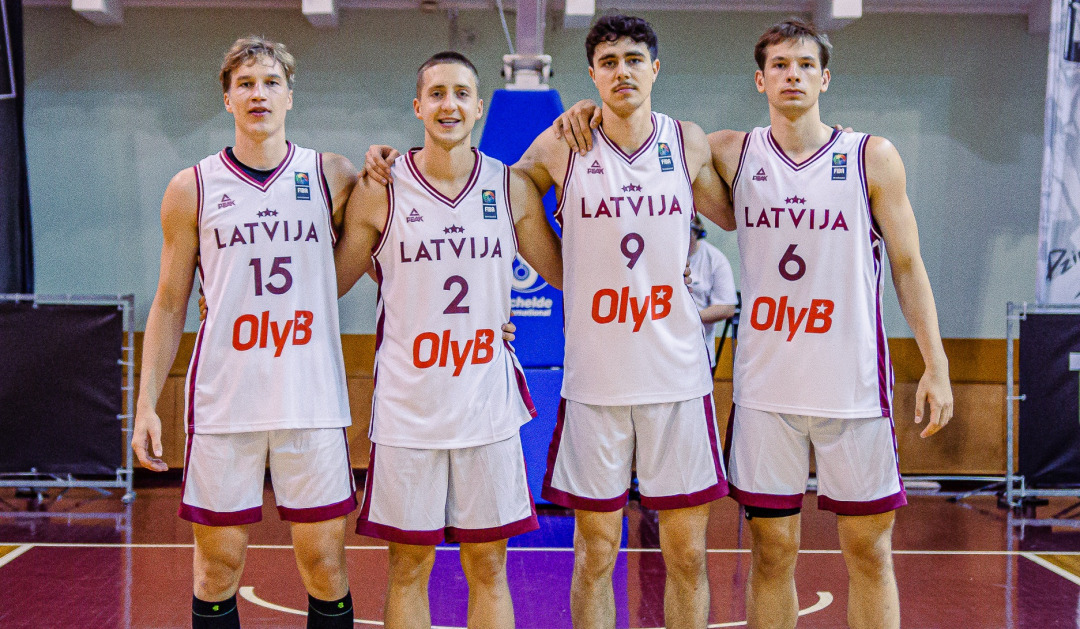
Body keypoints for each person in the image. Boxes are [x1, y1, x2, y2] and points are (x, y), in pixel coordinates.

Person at [556, 17, 955, 629]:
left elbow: (907, 264)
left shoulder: (871, 157)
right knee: (772, 553)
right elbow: (640, 131)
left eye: (805, 65)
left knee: (870, 552)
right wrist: (585, 111)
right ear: (760, 81)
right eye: (779, 66)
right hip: (767, 393)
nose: (792, 76)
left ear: (825, 78)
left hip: (852, 390)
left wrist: (937, 364)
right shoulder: (728, 151)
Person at [367, 17, 733, 628]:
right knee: (595, 553)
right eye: (609, 62)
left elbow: (740, 206)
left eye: (634, 60)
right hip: (595, 384)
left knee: (688, 554)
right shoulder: (561, 146)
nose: (622, 71)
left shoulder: (687, 141)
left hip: (678, 378)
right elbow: (492, 191)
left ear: (655, 69)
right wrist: (391, 162)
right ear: (591, 74)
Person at [132, 37, 359, 629]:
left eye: (271, 83)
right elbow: (170, 301)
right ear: (228, 99)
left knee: (326, 566)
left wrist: (486, 314)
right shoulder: (192, 187)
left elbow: (399, 243)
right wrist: (146, 403)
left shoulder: (331, 174)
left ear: (290, 96)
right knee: (216, 569)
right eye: (246, 84)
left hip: (309, 399)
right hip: (225, 401)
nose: (259, 94)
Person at [333, 51, 562, 629]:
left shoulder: (509, 188)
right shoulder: (381, 190)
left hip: (486, 406)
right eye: (436, 93)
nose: (449, 105)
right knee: (408, 567)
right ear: (417, 107)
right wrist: (234, 299)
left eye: (461, 93)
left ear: (480, 106)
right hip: (409, 411)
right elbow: (324, 285)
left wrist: (663, 270)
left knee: (489, 565)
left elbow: (569, 274)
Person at [686, 215, 737, 369]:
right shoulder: (662, 256)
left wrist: (689, 318)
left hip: (698, 350)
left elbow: (727, 307)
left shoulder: (715, 259)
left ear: (697, 233)